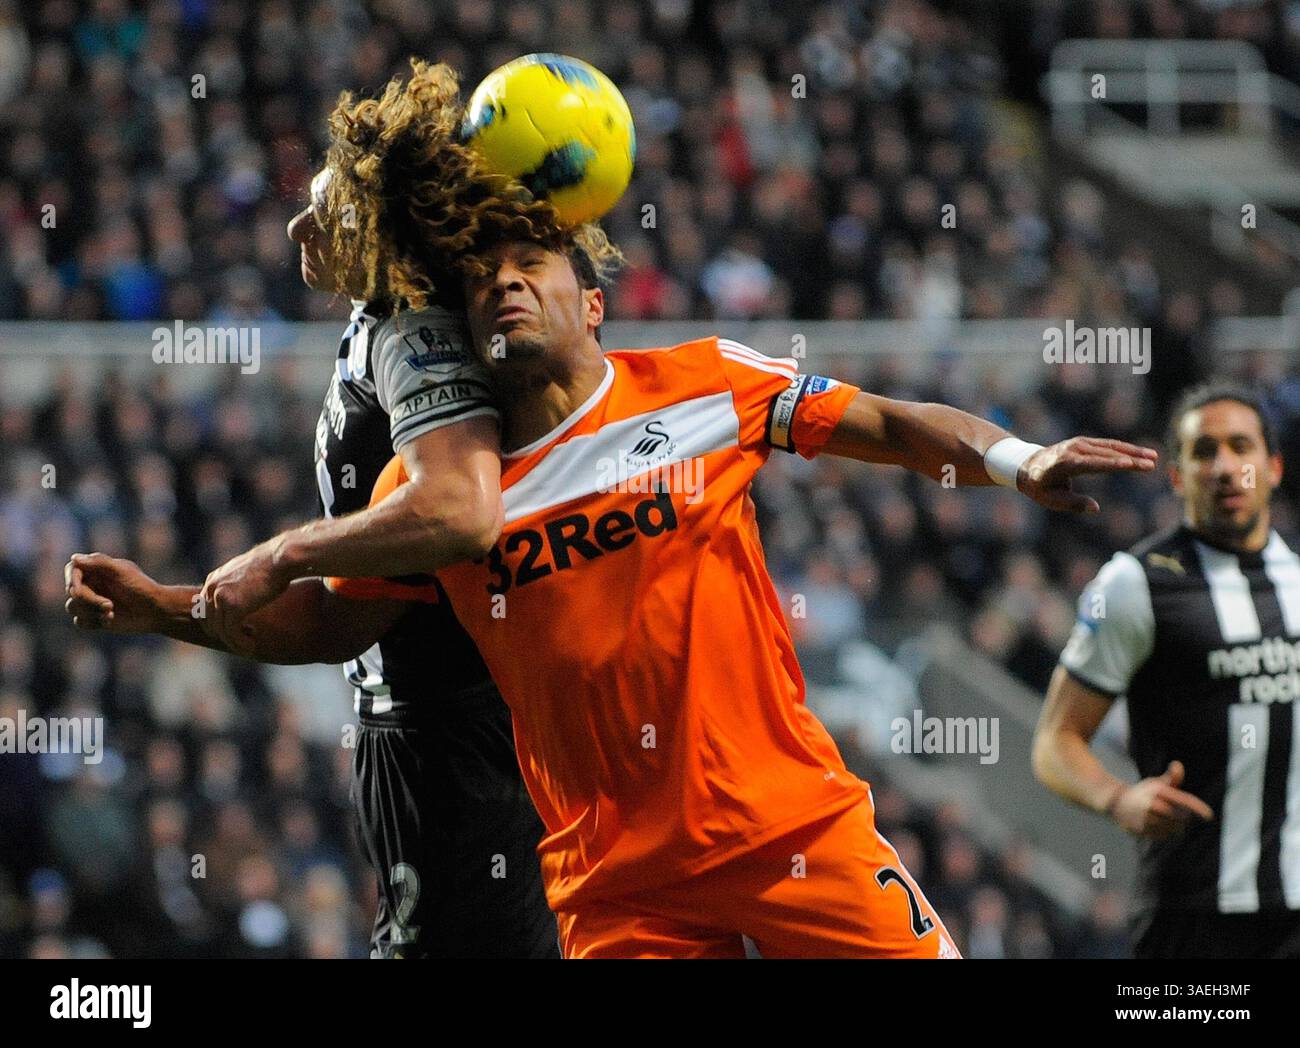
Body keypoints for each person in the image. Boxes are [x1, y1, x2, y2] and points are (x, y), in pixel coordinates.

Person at [349, 220, 1158, 957]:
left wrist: (1019, 461)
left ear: (594, 305)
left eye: (530, 265)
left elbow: (890, 424)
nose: (504, 284)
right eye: (482, 278)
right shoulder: (442, 492)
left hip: (788, 823)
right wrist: (241, 586)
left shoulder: (704, 383)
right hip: (617, 884)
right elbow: (327, 620)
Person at [64, 61, 560, 958]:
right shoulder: (375, 328)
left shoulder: (412, 332)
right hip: (423, 745)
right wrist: (168, 609)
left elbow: (461, 508)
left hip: (461, 751)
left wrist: (285, 551)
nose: (296, 223)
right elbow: (342, 620)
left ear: (383, 225)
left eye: (323, 208)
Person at [1034, 381, 1300, 959]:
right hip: (1194, 919)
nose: (1226, 467)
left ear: (1273, 468)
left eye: (1240, 447)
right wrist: (1117, 800)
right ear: (1177, 477)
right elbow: (1055, 740)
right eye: (1204, 452)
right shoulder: (1136, 584)